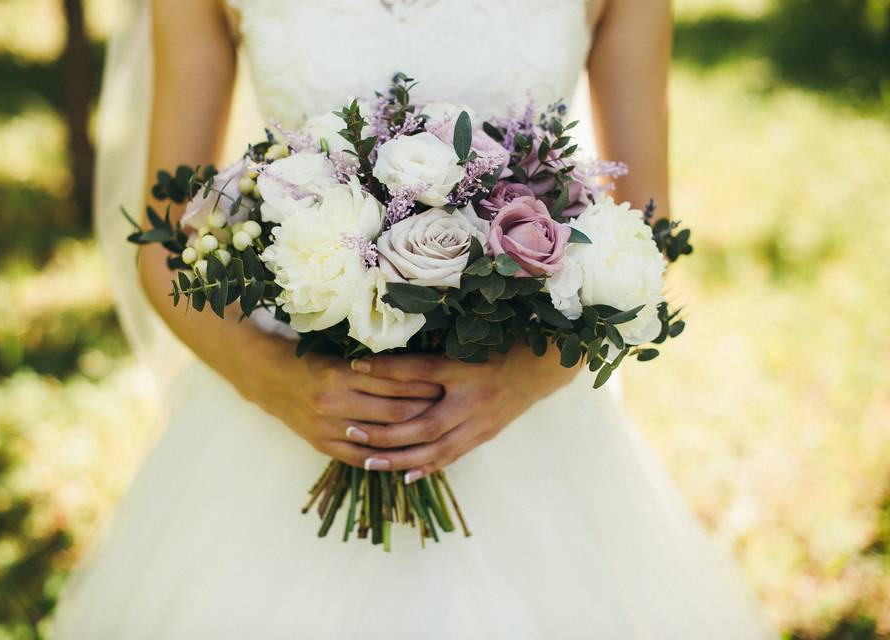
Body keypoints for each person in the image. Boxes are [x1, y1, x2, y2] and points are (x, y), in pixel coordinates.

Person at [51, 1, 771, 637]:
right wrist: (278, 383)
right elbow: (164, 239)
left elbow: (645, 226)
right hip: (295, 414)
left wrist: (518, 384)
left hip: (521, 424)